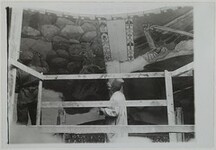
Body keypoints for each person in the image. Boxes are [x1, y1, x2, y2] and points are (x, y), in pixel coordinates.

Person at [16, 50, 49, 125]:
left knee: (22, 121)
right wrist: (42, 59)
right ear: (31, 60)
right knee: (36, 119)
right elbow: (46, 69)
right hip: (35, 94)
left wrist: (18, 90)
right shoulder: (37, 69)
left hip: (23, 94)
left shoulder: (18, 71)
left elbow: (16, 86)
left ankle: (20, 135)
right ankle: (36, 135)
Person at [99, 78, 127, 143]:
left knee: (113, 143)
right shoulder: (121, 95)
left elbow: (114, 112)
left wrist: (103, 110)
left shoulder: (115, 96)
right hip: (120, 123)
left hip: (115, 125)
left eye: (111, 85)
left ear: (113, 86)